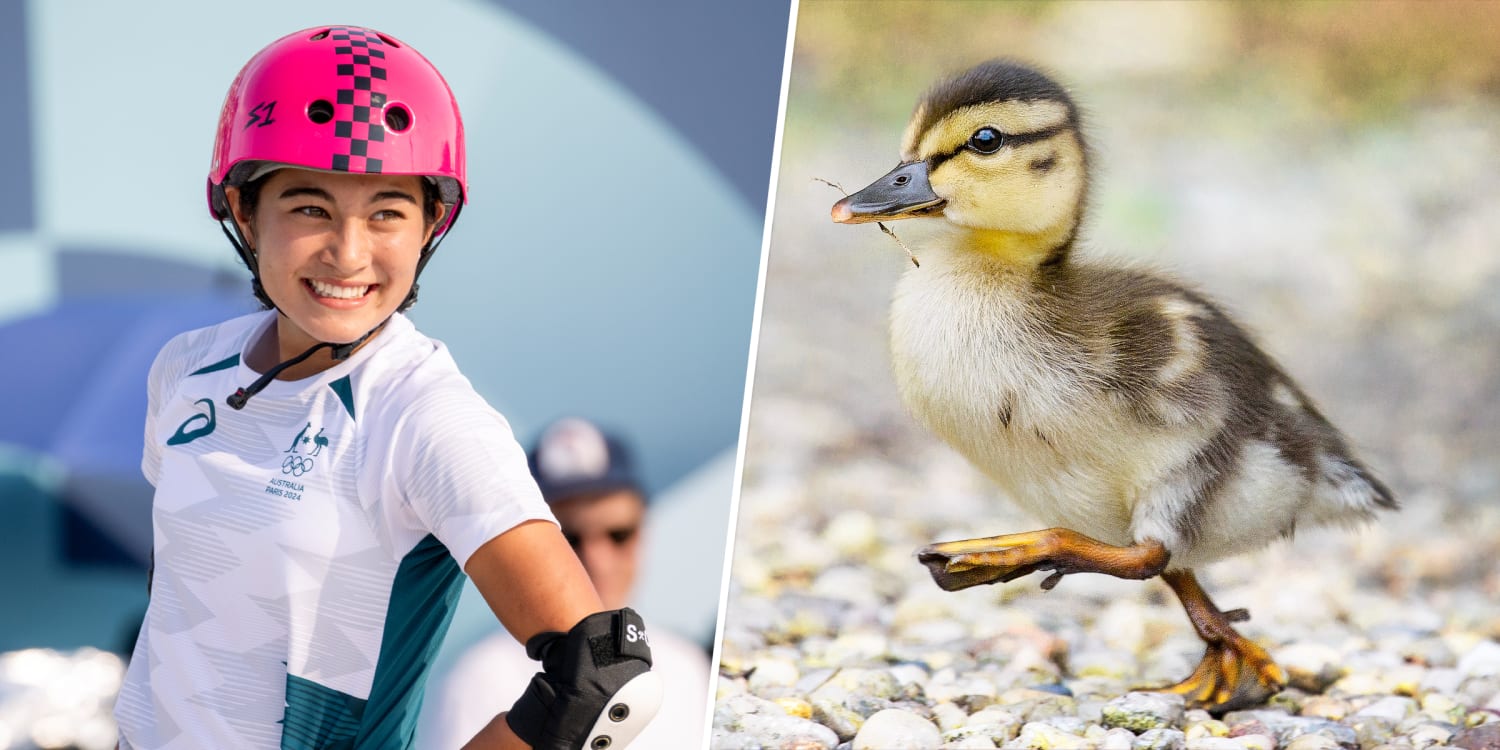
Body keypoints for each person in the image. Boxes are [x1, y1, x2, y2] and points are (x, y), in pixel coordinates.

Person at [113, 26, 658, 750]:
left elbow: (604, 681)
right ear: (244, 210)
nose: (349, 252)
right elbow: (178, 607)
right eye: (309, 207)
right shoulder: (186, 369)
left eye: (387, 213)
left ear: (432, 222)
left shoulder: (426, 418)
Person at [417, 418, 712, 750]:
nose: (597, 560)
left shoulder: (689, 667)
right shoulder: (477, 679)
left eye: (618, 534)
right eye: (569, 539)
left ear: (643, 531)